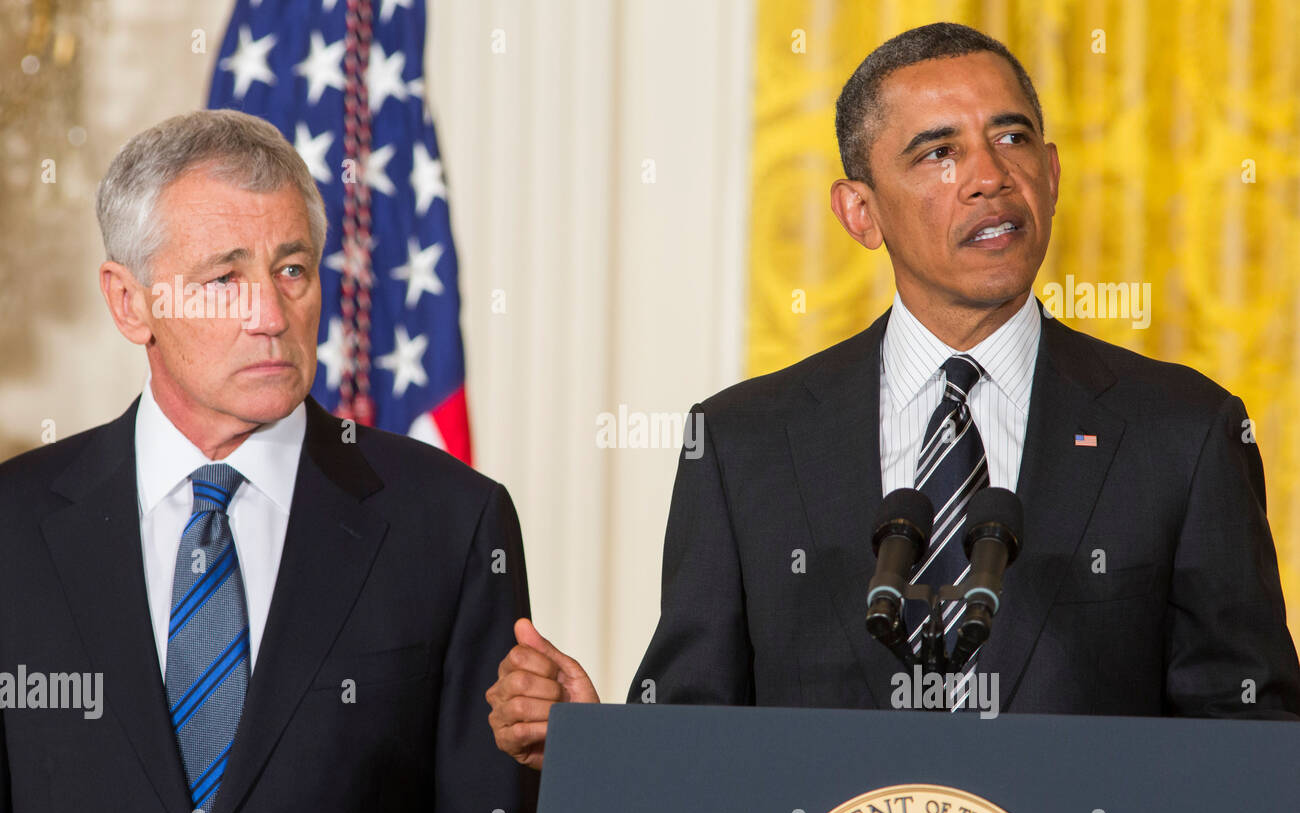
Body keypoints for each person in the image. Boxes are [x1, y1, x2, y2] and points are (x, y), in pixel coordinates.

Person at [487, 22, 1300, 770]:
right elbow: (702, 735)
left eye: (1011, 137)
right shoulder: (743, 444)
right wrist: (594, 747)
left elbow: (1248, 745)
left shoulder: (1184, 432)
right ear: (860, 212)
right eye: (937, 152)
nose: (988, 177)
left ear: (1050, 175)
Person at [0, 109, 537, 813]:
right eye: (224, 278)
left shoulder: (452, 523)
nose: (269, 315)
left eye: (291, 271)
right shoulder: (13, 529)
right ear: (130, 303)